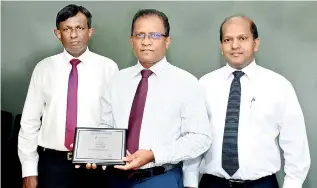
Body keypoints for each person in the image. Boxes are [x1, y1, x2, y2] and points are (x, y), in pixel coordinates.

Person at [184, 15, 311, 188]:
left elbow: (295, 145)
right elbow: (195, 139)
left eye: (242, 38)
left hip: (262, 184)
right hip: (213, 183)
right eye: (228, 39)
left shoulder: (279, 85)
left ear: (255, 43)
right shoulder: (204, 85)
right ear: (221, 46)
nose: (235, 45)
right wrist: (190, 183)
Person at [96, 8, 212, 188]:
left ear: (168, 41)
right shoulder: (117, 80)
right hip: (115, 178)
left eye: (155, 35)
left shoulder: (187, 83)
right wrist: (94, 152)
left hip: (160, 178)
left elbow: (200, 138)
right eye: (140, 35)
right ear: (131, 40)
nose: (146, 42)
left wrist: (154, 154)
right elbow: (105, 126)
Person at [18, 4, 119, 188]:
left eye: (80, 28)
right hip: (53, 164)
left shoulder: (108, 68)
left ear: (90, 31)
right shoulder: (43, 68)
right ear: (58, 33)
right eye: (67, 29)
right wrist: (29, 170)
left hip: (93, 164)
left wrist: (104, 159)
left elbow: (114, 118)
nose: (73, 35)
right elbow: (29, 122)